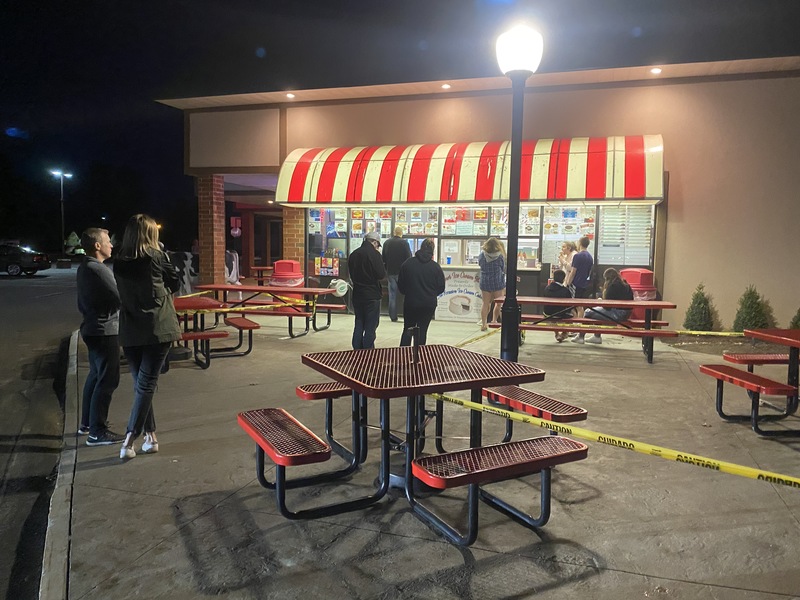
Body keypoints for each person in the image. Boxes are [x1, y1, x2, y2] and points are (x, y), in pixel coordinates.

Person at [114, 214, 182, 459]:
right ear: (151, 234)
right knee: (145, 385)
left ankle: (151, 435)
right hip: (157, 327)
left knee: (141, 384)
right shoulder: (158, 258)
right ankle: (130, 438)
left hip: (131, 328)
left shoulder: (119, 261)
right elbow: (175, 282)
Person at [76, 228, 124, 445]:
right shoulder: (98, 269)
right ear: (97, 246)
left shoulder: (86, 267)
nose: (111, 245)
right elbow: (119, 297)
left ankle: (87, 424)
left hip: (92, 329)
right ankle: (97, 431)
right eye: (107, 241)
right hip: (105, 330)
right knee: (107, 380)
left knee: (95, 376)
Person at [397, 238, 445, 346]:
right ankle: (418, 356)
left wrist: (409, 293)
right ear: (432, 250)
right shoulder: (435, 267)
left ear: (420, 248)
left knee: (408, 329)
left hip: (411, 302)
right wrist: (431, 294)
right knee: (422, 331)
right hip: (428, 304)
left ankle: (402, 355)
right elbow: (441, 287)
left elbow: (400, 285)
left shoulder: (407, 264)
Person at [573, 268, 633, 344]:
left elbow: (607, 307)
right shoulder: (626, 284)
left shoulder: (612, 286)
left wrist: (601, 301)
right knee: (597, 313)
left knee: (588, 312)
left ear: (607, 278)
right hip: (627, 314)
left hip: (617, 314)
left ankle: (581, 337)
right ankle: (596, 337)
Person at [349, 231, 386, 349]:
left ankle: (357, 349)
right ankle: (368, 351)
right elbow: (381, 275)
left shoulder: (353, 254)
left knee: (359, 322)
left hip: (357, 294)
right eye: (377, 244)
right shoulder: (375, 255)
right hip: (372, 295)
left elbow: (351, 274)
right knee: (371, 326)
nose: (377, 247)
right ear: (374, 242)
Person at [381, 226, 412, 322]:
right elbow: (409, 258)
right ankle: (406, 314)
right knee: (406, 294)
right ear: (401, 233)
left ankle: (393, 316)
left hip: (391, 272)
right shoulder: (404, 243)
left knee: (392, 295)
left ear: (394, 232)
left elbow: (383, 258)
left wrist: (387, 269)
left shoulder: (386, 243)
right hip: (402, 273)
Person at [478, 237, 506, 331]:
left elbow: (480, 264)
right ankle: (500, 322)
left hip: (485, 281)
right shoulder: (500, 256)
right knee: (499, 304)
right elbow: (502, 268)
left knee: (485, 303)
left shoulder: (482, 255)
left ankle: (484, 324)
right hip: (497, 282)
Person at [564, 236, 593, 317]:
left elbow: (573, 272)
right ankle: (578, 322)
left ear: (580, 243)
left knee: (576, 306)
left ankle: (578, 323)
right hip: (584, 283)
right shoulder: (590, 257)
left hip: (576, 283)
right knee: (579, 305)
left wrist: (568, 283)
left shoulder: (577, 256)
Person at [543, 269, 573, 342]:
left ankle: (557, 333)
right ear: (563, 279)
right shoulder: (565, 290)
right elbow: (570, 304)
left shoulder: (547, 288)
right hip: (560, 314)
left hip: (547, 313)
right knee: (572, 314)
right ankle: (564, 333)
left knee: (553, 314)